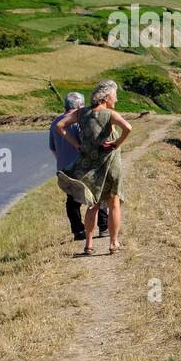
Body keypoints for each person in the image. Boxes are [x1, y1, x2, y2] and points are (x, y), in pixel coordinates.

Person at [54, 80, 132, 255]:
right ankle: (113, 243)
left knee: (93, 204)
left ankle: (88, 245)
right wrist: (116, 144)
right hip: (110, 163)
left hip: (89, 164)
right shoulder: (110, 114)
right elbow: (128, 127)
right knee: (113, 202)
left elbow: (60, 126)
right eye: (115, 96)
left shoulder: (81, 112)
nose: (116, 100)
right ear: (107, 97)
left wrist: (77, 145)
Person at [49, 92, 108, 241]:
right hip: (83, 166)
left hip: (63, 168)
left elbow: (53, 148)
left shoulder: (55, 122)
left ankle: (78, 231)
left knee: (72, 200)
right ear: (79, 106)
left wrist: (62, 161)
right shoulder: (79, 122)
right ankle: (103, 226)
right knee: (96, 195)